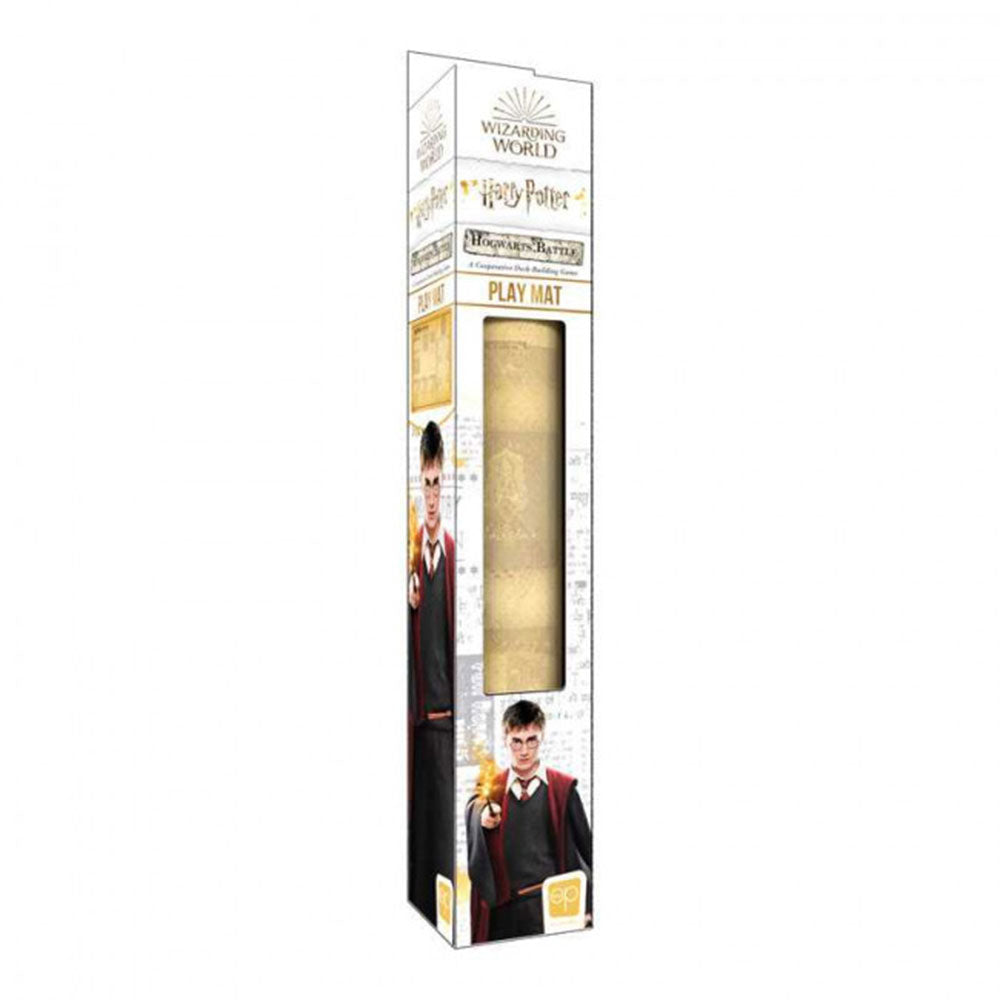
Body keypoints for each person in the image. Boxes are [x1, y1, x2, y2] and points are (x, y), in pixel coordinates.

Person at [466, 700, 592, 942]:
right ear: (505, 739)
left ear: (542, 737)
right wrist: (482, 819)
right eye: (516, 741)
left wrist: (588, 907)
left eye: (531, 740)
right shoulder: (493, 789)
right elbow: (475, 809)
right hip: (503, 914)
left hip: (551, 910)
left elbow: (587, 851)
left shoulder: (562, 789)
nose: (524, 751)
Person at [408, 421, 456, 924]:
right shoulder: (409, 560)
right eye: (426, 484)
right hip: (415, 725)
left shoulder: (455, 559)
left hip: (446, 725)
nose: (433, 496)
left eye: (439, 483)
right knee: (415, 839)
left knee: (442, 839)